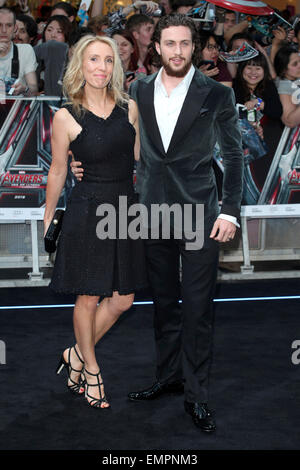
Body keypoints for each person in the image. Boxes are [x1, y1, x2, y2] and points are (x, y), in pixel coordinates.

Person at [71, 14, 244, 431]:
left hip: (200, 213)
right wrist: (82, 163)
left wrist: (229, 211)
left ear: (196, 47)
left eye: (186, 44)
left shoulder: (216, 94)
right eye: (170, 44)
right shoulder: (138, 89)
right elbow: (118, 140)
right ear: (158, 48)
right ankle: (168, 378)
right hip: (150, 213)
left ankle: (196, 395)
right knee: (164, 304)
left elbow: (235, 156)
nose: (178, 51)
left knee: (198, 307)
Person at [44, 34, 147, 409]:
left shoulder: (129, 108)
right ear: (80, 66)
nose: (101, 67)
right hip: (87, 209)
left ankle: (73, 353)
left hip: (125, 209)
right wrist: (48, 216)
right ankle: (91, 369)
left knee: (123, 299)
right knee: (88, 296)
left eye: (108, 60)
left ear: (115, 67)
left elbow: (136, 157)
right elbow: (57, 171)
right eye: (93, 60)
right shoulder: (65, 116)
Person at [0, 7, 38, 95]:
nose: (4, 30)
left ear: (15, 28)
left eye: (9, 25)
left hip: (15, 106)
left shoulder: (25, 50)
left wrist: (25, 88)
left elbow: (34, 89)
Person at [34, 15, 72, 96]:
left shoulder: (71, 59)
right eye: (49, 30)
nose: (53, 35)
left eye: (59, 31)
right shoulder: (36, 52)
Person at [274, 45, 300, 128]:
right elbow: (289, 122)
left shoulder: (295, 77)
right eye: (295, 64)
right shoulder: (284, 87)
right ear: (283, 69)